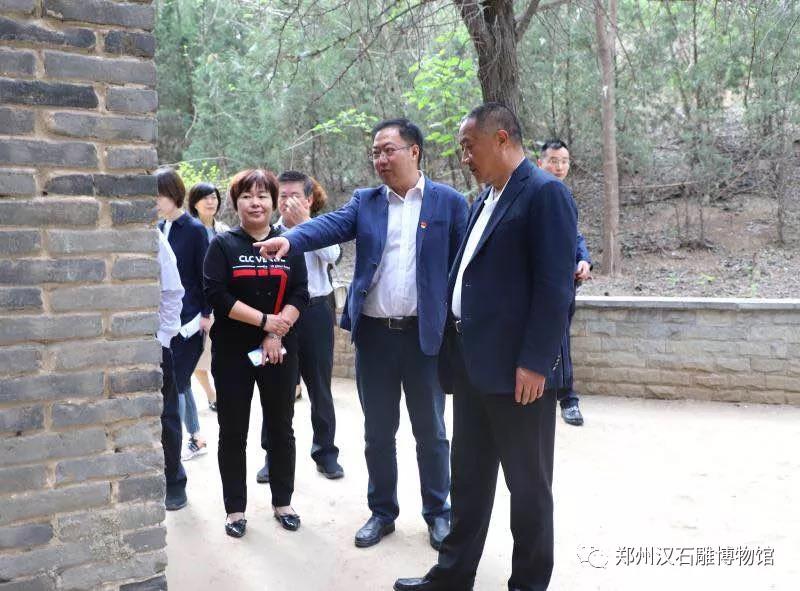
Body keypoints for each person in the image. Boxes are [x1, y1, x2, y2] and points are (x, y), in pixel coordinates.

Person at [256, 118, 468, 550]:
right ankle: (382, 512)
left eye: (389, 150)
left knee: (431, 432)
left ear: (414, 151)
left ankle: (438, 512)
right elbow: (329, 226)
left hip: (425, 338)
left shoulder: (448, 202)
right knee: (378, 433)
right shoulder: (366, 201)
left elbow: (467, 263)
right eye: (375, 153)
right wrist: (292, 239)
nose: (380, 159)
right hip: (374, 337)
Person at [394, 103, 577, 591]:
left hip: (520, 375)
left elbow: (555, 289)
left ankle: (528, 584)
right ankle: (452, 576)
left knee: (528, 488)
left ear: (500, 139)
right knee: (469, 481)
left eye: (468, 146)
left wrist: (536, 362)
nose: (464, 157)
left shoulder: (545, 194)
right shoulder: (484, 199)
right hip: (474, 368)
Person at [203, 169, 309, 538]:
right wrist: (266, 322)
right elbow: (217, 295)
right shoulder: (223, 245)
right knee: (233, 430)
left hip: (279, 350)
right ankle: (235, 509)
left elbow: (300, 292)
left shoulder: (288, 244)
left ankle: (283, 502)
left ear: (274, 202)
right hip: (233, 351)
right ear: (236, 203)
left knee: (281, 427)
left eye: (263, 196)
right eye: (247, 196)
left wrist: (276, 331)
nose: (255, 203)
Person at [256, 171, 344, 484]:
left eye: (295, 196)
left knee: (320, 386)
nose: (288, 202)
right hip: (278, 317)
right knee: (277, 389)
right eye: (283, 196)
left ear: (309, 199)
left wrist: (306, 224)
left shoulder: (322, 227)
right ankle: (273, 456)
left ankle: (326, 453)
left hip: (316, 312)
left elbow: (333, 257)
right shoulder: (269, 232)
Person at [155, 167, 211, 461]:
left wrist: (206, 315)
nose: (155, 201)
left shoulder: (195, 229)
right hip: (167, 320)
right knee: (179, 382)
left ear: (174, 194)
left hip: (190, 321)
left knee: (177, 384)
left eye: (159, 195)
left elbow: (207, 276)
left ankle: (176, 451)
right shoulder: (158, 227)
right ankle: (196, 437)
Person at [538, 139, 592, 427]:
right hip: (540, 283)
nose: (559, 167)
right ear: (540, 163)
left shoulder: (565, 196)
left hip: (565, 284)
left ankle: (566, 397)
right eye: (553, 161)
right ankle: (563, 397)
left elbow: (576, 237)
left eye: (564, 161)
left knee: (561, 339)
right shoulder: (534, 194)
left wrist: (584, 260)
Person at [187, 182, 230, 413]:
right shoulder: (189, 230)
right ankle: (211, 394)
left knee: (221, 351)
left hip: (222, 299)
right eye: (205, 198)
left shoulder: (223, 230)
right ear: (194, 203)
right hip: (196, 301)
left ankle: (223, 392)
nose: (210, 201)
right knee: (197, 352)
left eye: (214, 197)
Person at [156, 231, 188, 511]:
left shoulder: (154, 237)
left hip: (155, 343)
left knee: (167, 415)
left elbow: (172, 290)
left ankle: (174, 479)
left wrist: (163, 337)